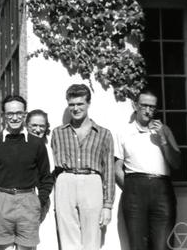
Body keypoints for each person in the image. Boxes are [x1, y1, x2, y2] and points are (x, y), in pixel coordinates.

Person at [0, 95, 54, 250]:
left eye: (19, 113)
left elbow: (46, 177)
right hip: (1, 201)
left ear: (25, 115)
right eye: (10, 114)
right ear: (3, 115)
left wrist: (38, 201)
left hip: (28, 202)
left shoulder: (36, 143)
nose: (14, 118)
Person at [115, 88, 181, 250]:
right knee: (138, 245)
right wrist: (132, 189)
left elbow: (176, 163)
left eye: (152, 107)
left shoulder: (164, 130)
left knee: (163, 245)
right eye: (144, 105)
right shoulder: (123, 132)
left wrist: (163, 139)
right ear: (135, 105)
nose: (148, 110)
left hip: (162, 191)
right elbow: (117, 168)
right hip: (135, 190)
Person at [51, 84, 115, 250]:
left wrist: (107, 205)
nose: (76, 108)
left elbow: (108, 170)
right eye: (72, 104)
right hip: (65, 180)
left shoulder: (104, 134)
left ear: (88, 103)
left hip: (92, 181)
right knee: (67, 236)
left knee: (92, 237)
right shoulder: (58, 133)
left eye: (80, 104)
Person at [26, 109, 59, 250]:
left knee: (46, 239)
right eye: (34, 125)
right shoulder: (21, 145)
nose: (38, 129)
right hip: (24, 199)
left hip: (45, 198)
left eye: (41, 126)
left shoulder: (49, 148)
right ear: (27, 125)